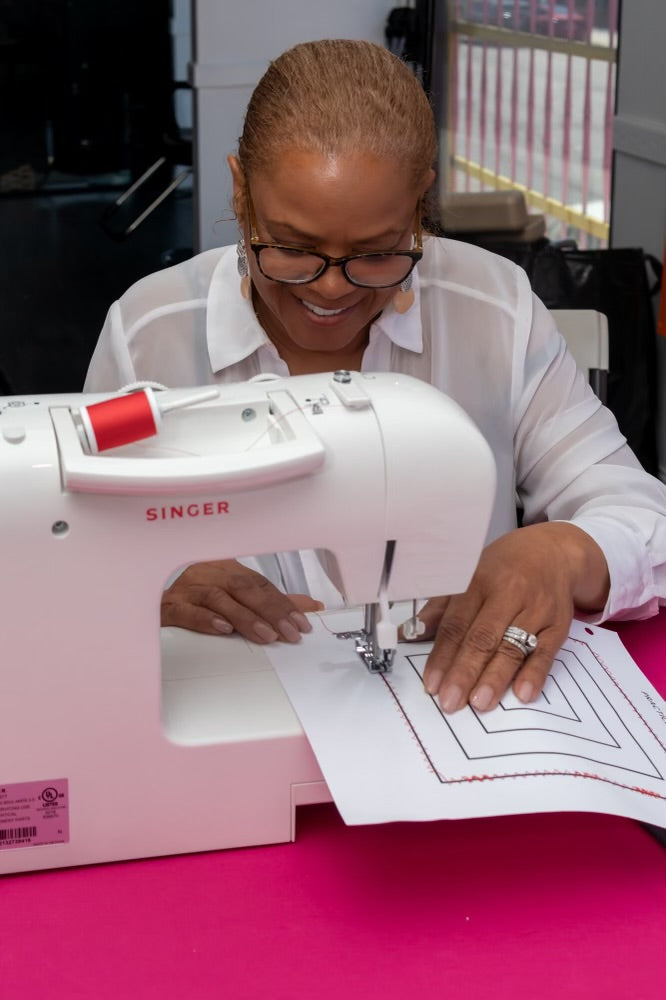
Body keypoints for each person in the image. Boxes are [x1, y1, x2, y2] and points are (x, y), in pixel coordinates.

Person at [84, 38, 666, 715]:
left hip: (456, 709)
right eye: (294, 249)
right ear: (240, 191)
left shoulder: (494, 310)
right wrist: (156, 584)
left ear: (421, 205)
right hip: (234, 708)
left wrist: (564, 553)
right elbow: (77, 541)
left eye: (377, 254)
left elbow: (640, 514)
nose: (331, 290)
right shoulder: (149, 334)